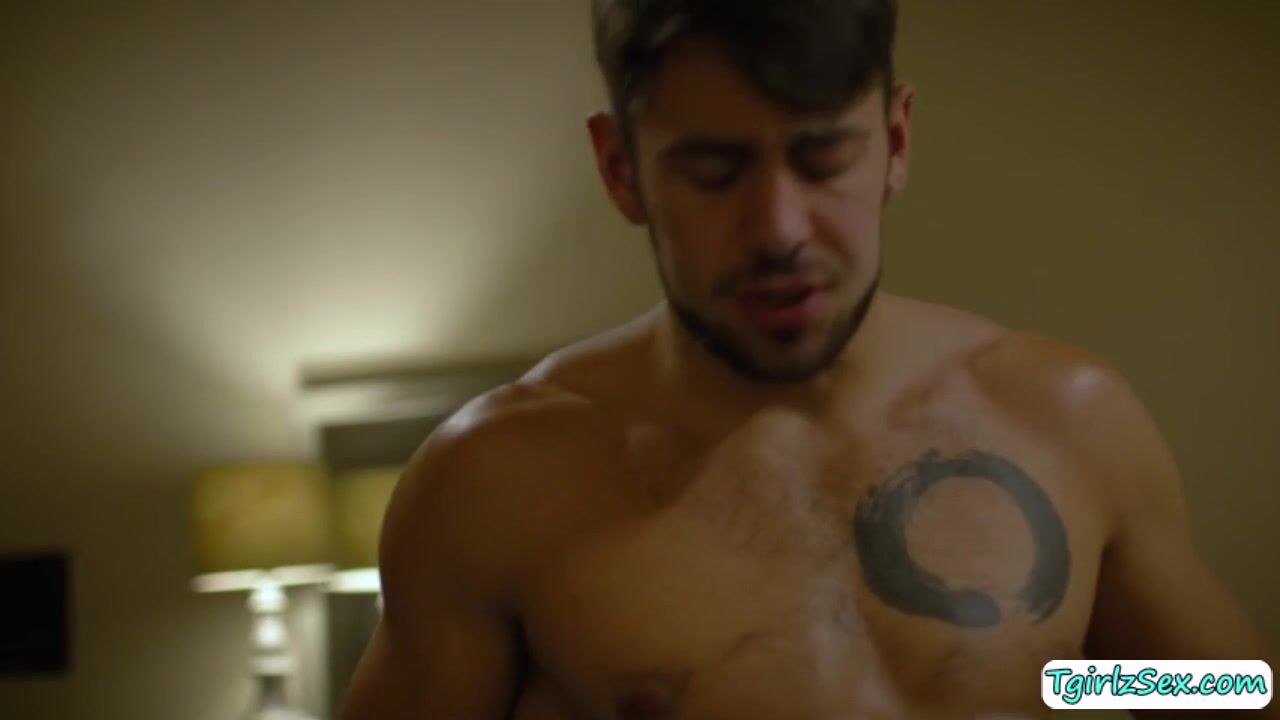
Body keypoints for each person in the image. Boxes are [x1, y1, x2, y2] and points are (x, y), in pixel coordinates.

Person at [340, 1, 1275, 717]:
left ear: (895, 143)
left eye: (822, 158)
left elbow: (1229, 694)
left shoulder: (1067, 419)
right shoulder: (496, 486)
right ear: (621, 169)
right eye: (714, 172)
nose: (779, 229)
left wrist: (1058, 678)